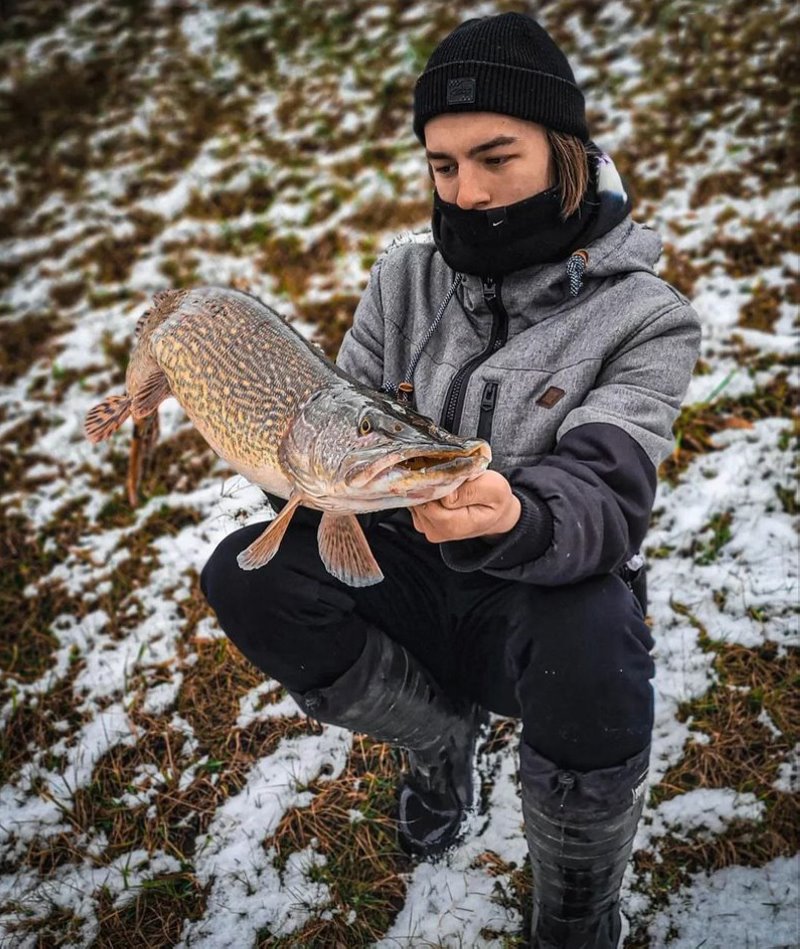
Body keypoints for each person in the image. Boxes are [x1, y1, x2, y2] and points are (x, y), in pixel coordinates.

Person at [200, 13, 701, 948]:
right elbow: (329, 432)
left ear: (567, 153)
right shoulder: (403, 281)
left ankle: (579, 904)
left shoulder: (647, 318)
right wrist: (272, 447)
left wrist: (518, 512)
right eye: (442, 165)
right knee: (248, 575)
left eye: (496, 156)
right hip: (406, 573)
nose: (465, 192)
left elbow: (608, 487)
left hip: (531, 595)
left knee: (598, 640)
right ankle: (438, 741)